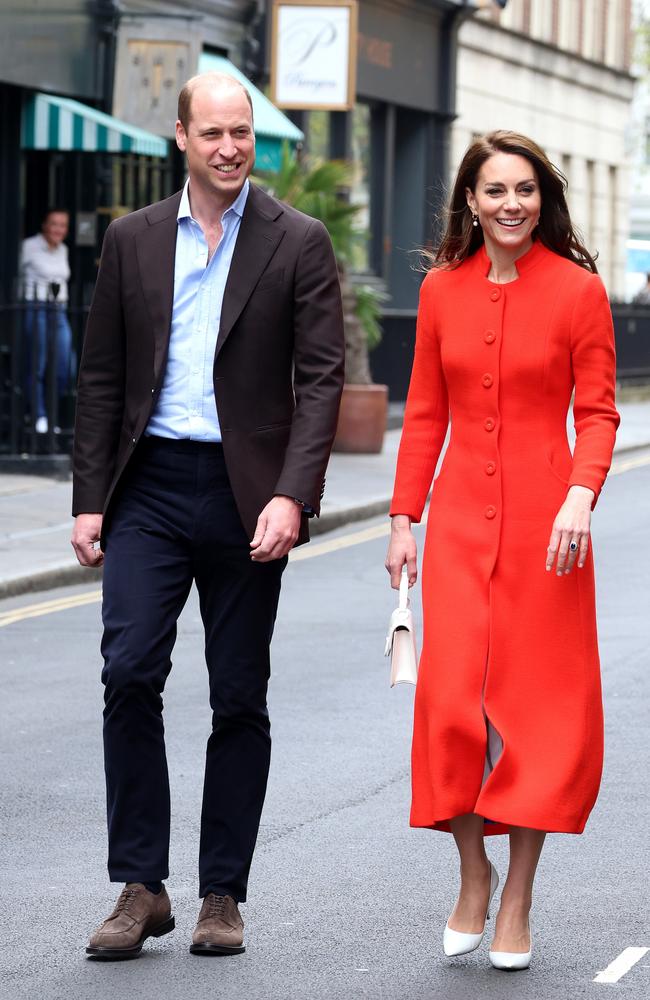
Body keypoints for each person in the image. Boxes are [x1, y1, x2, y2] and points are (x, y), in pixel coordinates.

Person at [71, 71, 344, 960]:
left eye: (244, 135)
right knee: (128, 671)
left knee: (239, 696)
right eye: (214, 133)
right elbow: (103, 376)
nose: (231, 149)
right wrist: (88, 500)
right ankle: (140, 886)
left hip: (245, 490)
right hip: (148, 484)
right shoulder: (132, 239)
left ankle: (221, 893)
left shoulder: (298, 241)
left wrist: (291, 496)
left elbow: (319, 381)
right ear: (181, 137)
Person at [386, 130, 619, 971]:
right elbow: (422, 416)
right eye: (495, 191)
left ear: (542, 198)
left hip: (547, 538)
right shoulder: (442, 292)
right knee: (451, 715)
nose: (511, 203)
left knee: (534, 723)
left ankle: (517, 895)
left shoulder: (579, 292)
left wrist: (581, 496)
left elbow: (598, 415)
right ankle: (472, 872)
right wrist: (404, 518)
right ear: (471, 202)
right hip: (454, 529)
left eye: (524, 189)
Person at [20, 208, 75, 433]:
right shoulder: (29, 247)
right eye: (54, 224)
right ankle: (38, 415)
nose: (58, 229)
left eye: (62, 225)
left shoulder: (63, 250)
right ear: (44, 225)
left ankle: (51, 414)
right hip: (36, 307)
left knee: (66, 366)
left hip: (58, 310)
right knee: (37, 364)